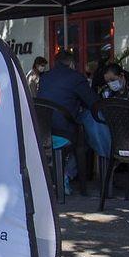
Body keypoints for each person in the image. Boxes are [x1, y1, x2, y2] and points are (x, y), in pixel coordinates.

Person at [37, 50, 99, 195]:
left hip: (42, 132)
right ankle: (67, 175)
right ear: (71, 63)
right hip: (64, 134)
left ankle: (56, 175)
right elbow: (93, 103)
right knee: (86, 139)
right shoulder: (76, 78)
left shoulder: (44, 78)